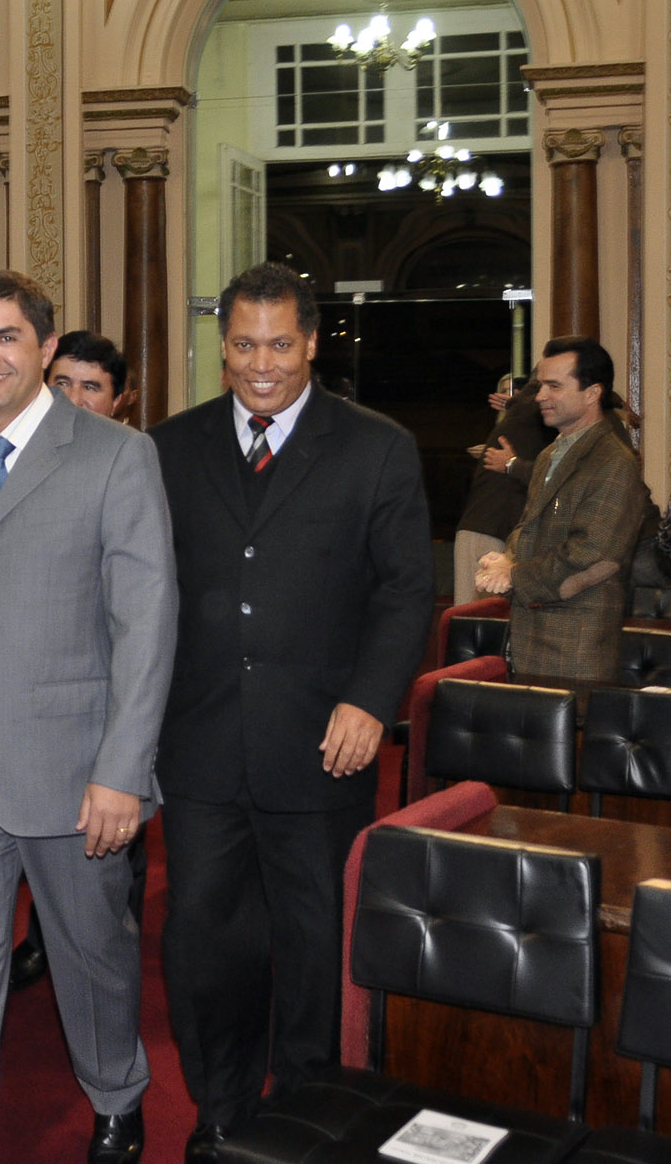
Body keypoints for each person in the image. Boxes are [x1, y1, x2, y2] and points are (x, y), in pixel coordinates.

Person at [149, 261, 433, 1161]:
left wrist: (368, 699)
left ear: (311, 343)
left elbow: (403, 591)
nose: (260, 363)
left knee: (312, 943)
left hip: (323, 744)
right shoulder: (168, 445)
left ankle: (302, 1111)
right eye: (242, 344)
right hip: (196, 744)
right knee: (202, 940)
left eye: (278, 344)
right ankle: (221, 1105)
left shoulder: (376, 444)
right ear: (221, 346)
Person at [0, 271, 175, 1164]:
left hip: (75, 766)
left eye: (5, 337)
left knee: (90, 953)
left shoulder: (113, 454)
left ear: (45, 349)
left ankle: (116, 1089)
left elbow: (145, 619)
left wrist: (123, 768)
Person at [12, 325, 150, 994]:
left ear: (120, 399)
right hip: (43, 708)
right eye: (59, 382)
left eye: (89, 387)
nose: (71, 398)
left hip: (121, 699)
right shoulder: (12, 463)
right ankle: (43, 939)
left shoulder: (132, 461)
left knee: (111, 865)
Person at [475, 337, 649, 683]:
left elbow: (593, 553)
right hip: (532, 638)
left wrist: (515, 574)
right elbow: (532, 528)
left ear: (591, 393)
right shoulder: (550, 454)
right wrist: (506, 558)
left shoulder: (614, 462)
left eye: (554, 386)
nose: (540, 396)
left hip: (575, 649)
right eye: (540, 385)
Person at [455, 373, 552, 604]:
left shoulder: (528, 415)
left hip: (493, 528)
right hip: (489, 529)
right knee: (477, 618)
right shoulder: (534, 413)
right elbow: (553, 478)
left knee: (486, 618)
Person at [49, 330, 137, 423]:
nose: (73, 400)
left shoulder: (130, 437)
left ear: (116, 401)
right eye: (62, 384)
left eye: (89, 388)